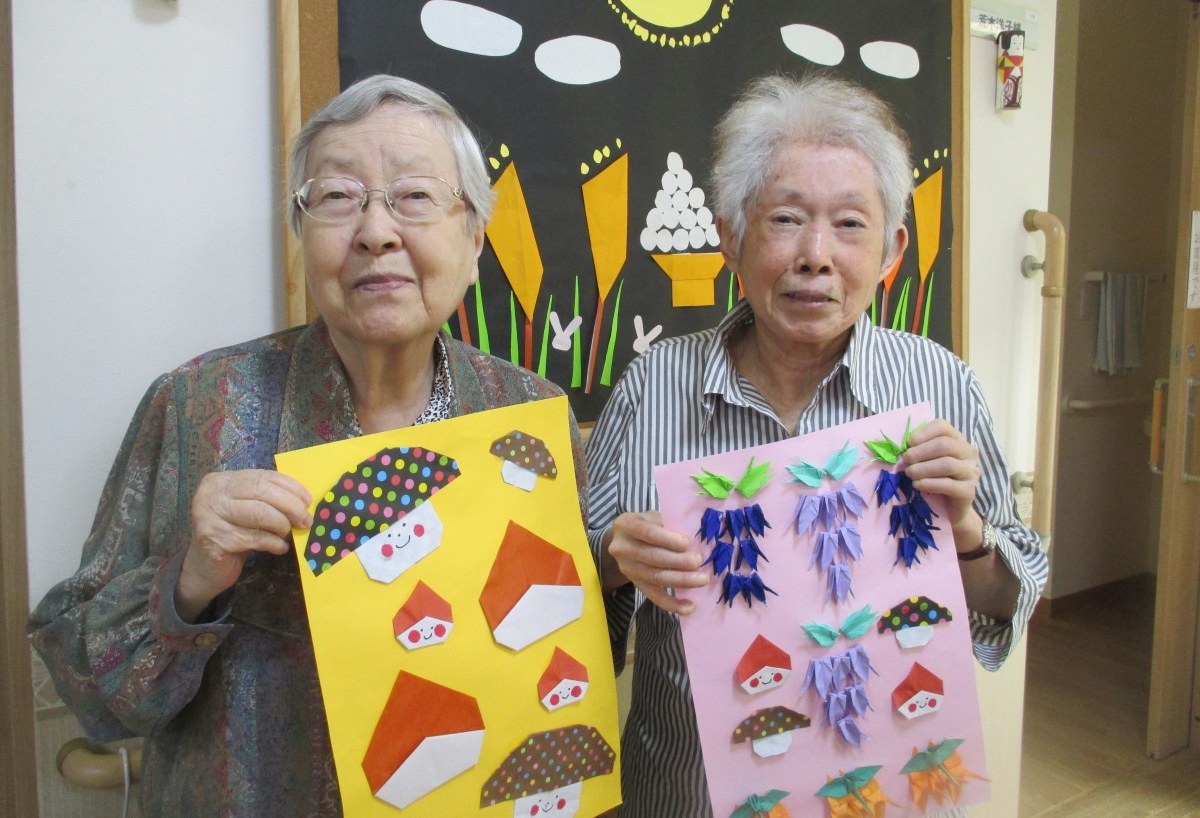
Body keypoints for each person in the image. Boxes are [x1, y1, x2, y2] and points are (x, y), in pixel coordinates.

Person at [29, 75, 583, 817]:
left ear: (475, 236)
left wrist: (614, 572)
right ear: (302, 232)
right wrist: (190, 580)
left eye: (415, 196)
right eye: (339, 197)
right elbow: (88, 690)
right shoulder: (197, 406)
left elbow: (558, 656)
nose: (377, 231)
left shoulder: (528, 413)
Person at [586, 73, 1049, 817]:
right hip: (686, 793)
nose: (816, 255)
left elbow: (1007, 598)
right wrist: (615, 559)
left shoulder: (939, 383)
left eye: (850, 224)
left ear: (893, 249)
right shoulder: (653, 384)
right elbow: (569, 599)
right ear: (731, 238)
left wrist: (965, 532)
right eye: (786, 219)